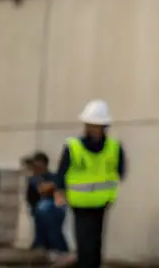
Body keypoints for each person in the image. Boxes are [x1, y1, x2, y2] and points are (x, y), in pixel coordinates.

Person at [53, 99, 126, 268]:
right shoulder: (73, 146)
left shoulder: (114, 147)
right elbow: (62, 171)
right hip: (80, 203)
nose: (95, 129)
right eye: (92, 125)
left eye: (98, 125)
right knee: (85, 242)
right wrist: (60, 191)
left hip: (102, 202)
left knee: (96, 241)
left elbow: (121, 170)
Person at [23, 151, 69, 257]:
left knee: (53, 234)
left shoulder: (51, 177)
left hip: (52, 212)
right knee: (41, 234)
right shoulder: (33, 179)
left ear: (43, 164)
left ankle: (61, 252)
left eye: (36, 164)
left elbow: (47, 190)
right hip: (39, 213)